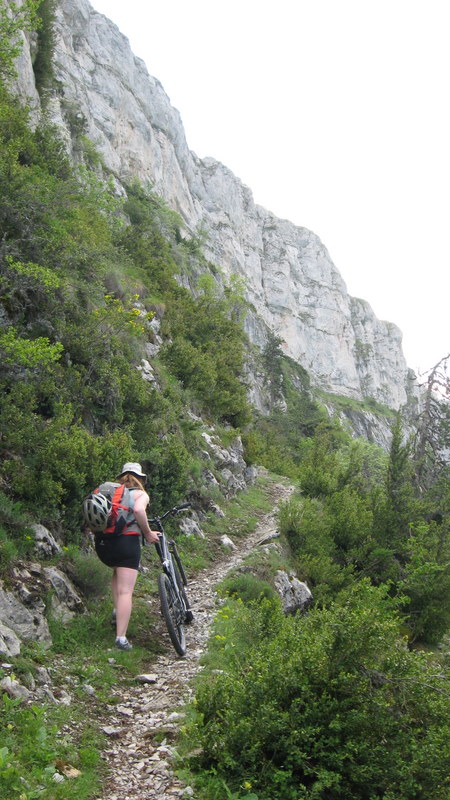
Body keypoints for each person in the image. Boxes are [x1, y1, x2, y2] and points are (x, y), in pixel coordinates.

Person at [94, 462, 159, 650]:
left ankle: (117, 611)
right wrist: (147, 533)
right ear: (140, 479)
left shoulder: (108, 493)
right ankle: (120, 638)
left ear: (120, 477)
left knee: (116, 573)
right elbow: (138, 511)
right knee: (126, 591)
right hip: (127, 544)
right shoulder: (140, 494)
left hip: (103, 546)